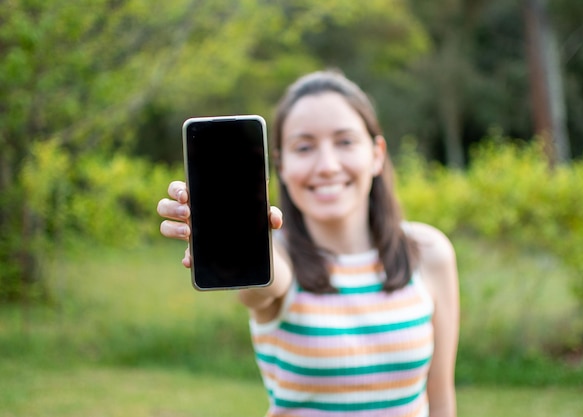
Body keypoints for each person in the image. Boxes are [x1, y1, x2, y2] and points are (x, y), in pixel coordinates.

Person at [157, 69, 459, 417]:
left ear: (376, 154)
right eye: (304, 147)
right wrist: (231, 238)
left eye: (345, 142)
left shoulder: (430, 252)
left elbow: (441, 402)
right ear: (282, 165)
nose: (327, 166)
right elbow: (263, 285)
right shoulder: (277, 257)